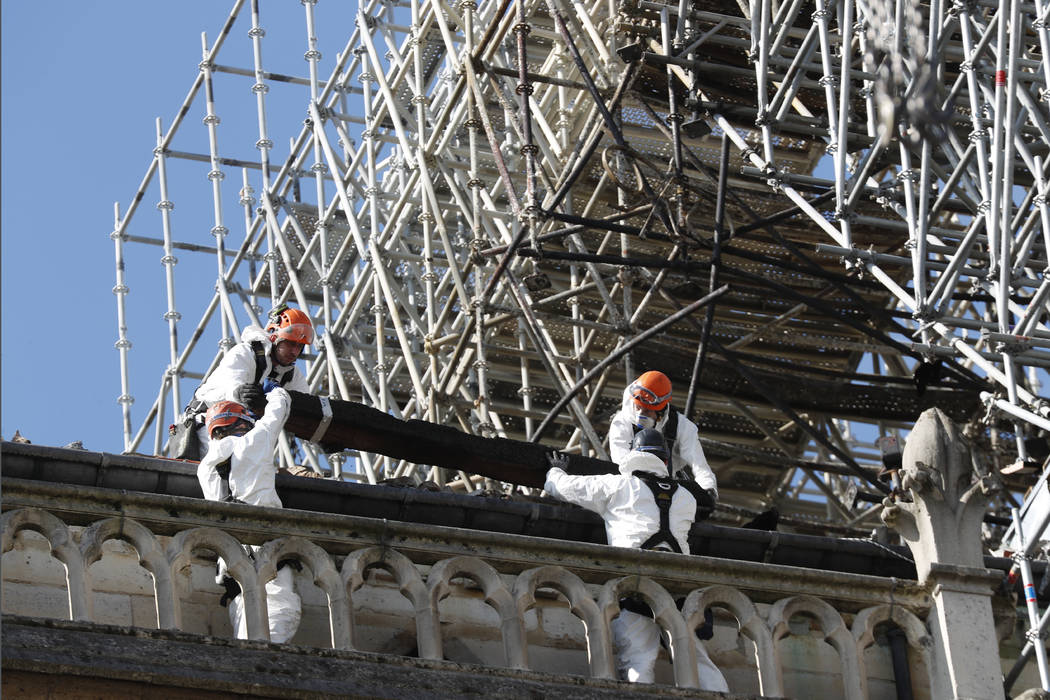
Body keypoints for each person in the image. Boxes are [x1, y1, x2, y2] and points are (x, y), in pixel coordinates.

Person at [544, 429, 727, 690]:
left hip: (635, 585)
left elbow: (560, 488)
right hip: (678, 589)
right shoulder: (685, 497)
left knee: (638, 661)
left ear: (634, 455)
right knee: (695, 660)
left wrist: (555, 470)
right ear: (665, 461)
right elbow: (702, 503)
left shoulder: (619, 486)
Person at [196, 389, 301, 643]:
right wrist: (275, 391)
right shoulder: (256, 440)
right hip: (264, 548)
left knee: (244, 619)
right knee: (281, 611)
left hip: (231, 560)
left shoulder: (205, 467)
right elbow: (280, 409)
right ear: (242, 423)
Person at [184, 304, 313, 457]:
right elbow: (231, 387)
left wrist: (321, 435)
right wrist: (238, 393)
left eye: (299, 347)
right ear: (274, 336)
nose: (294, 352)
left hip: (242, 438)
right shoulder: (245, 354)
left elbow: (306, 409)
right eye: (290, 343)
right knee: (236, 419)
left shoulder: (292, 376)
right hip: (207, 427)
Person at [608, 371, 718, 499]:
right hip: (632, 487)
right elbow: (621, 463)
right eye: (638, 407)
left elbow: (700, 466)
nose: (640, 415)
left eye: (647, 411)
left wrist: (708, 490)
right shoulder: (622, 421)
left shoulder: (681, 427)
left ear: (661, 410)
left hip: (669, 488)